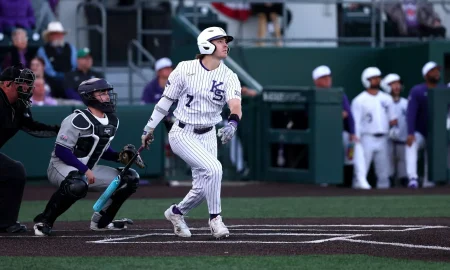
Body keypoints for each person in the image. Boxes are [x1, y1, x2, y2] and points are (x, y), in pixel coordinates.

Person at [140, 27, 242, 239]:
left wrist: (232, 124)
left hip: (208, 134)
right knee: (214, 168)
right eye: (220, 40)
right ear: (206, 44)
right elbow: (165, 102)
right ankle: (215, 220)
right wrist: (149, 128)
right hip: (182, 132)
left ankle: (176, 213)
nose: (225, 44)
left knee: (204, 187)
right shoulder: (184, 69)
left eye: (226, 41)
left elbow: (235, 105)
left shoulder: (230, 75)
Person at [33, 78, 145, 236]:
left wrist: (120, 157)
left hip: (87, 170)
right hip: (61, 167)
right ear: (89, 96)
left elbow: (102, 149)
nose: (107, 96)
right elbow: (61, 151)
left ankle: (101, 222)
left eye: (107, 92)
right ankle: (44, 221)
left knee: (129, 178)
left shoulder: (112, 120)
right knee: (76, 184)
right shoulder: (76, 119)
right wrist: (85, 170)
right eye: (102, 93)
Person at [0, 63, 60, 233]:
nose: (26, 87)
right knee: (13, 170)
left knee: (14, 172)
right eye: (22, 82)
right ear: (6, 84)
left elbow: (32, 127)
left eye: (28, 83)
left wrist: (60, 130)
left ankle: (5, 223)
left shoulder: (19, 105)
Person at [312, 65, 369, 189]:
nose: (327, 80)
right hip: (320, 135)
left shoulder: (339, 94)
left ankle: (360, 180)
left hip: (340, 132)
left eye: (328, 77)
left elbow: (348, 115)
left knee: (354, 147)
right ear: (316, 81)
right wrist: (335, 115)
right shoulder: (313, 94)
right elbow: (313, 117)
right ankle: (323, 180)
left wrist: (353, 133)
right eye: (323, 78)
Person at [351, 67, 398, 189]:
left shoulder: (386, 98)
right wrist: (356, 138)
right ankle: (355, 194)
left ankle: (383, 199)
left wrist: (394, 128)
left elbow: (393, 118)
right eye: (373, 79)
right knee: (361, 171)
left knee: (384, 173)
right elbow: (355, 121)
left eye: (378, 78)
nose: (377, 80)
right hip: (366, 137)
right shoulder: (359, 100)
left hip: (383, 138)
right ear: (366, 81)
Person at [405, 61, 444, 188]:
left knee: (436, 152)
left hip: (438, 133)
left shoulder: (443, 89)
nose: (437, 73)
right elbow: (411, 113)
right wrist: (410, 132)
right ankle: (412, 178)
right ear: (426, 74)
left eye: (437, 70)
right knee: (411, 144)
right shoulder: (417, 90)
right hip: (420, 131)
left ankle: (430, 181)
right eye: (433, 71)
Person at [380, 73, 408, 186]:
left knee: (403, 171)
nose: (396, 87)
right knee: (388, 171)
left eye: (398, 84)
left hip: (403, 140)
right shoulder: (381, 101)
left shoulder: (406, 103)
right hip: (386, 141)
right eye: (392, 84)